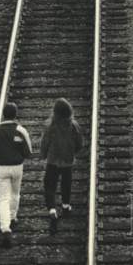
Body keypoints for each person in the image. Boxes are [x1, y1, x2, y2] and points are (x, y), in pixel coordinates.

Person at [0, 100, 33, 248]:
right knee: (15, 193)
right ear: (15, 115)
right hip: (17, 167)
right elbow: (28, 151)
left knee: (3, 198)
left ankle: (5, 228)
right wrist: (19, 158)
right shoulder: (21, 130)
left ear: (4, 115)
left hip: (2, 168)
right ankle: (13, 216)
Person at [40, 98, 83, 233]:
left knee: (49, 185)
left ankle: (52, 209)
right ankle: (65, 206)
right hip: (67, 161)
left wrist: (43, 154)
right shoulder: (74, 126)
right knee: (66, 184)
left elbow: (44, 142)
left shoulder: (50, 126)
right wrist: (73, 152)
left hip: (53, 160)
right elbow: (80, 144)